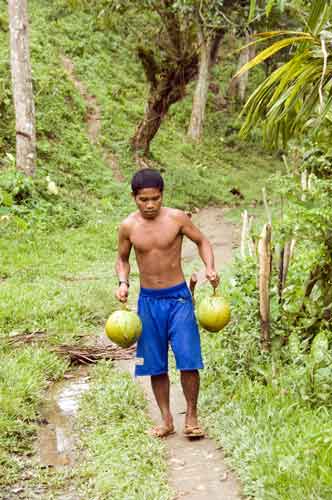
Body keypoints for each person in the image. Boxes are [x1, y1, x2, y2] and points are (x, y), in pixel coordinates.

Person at [115, 168, 219, 438]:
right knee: (155, 364)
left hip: (179, 298)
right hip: (148, 302)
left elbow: (202, 241)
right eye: (143, 200)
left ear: (162, 195)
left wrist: (210, 267)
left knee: (188, 359)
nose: (150, 205)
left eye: (155, 199)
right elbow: (123, 259)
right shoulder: (128, 227)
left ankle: (192, 417)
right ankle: (166, 419)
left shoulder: (177, 219)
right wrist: (123, 283)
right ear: (133, 197)